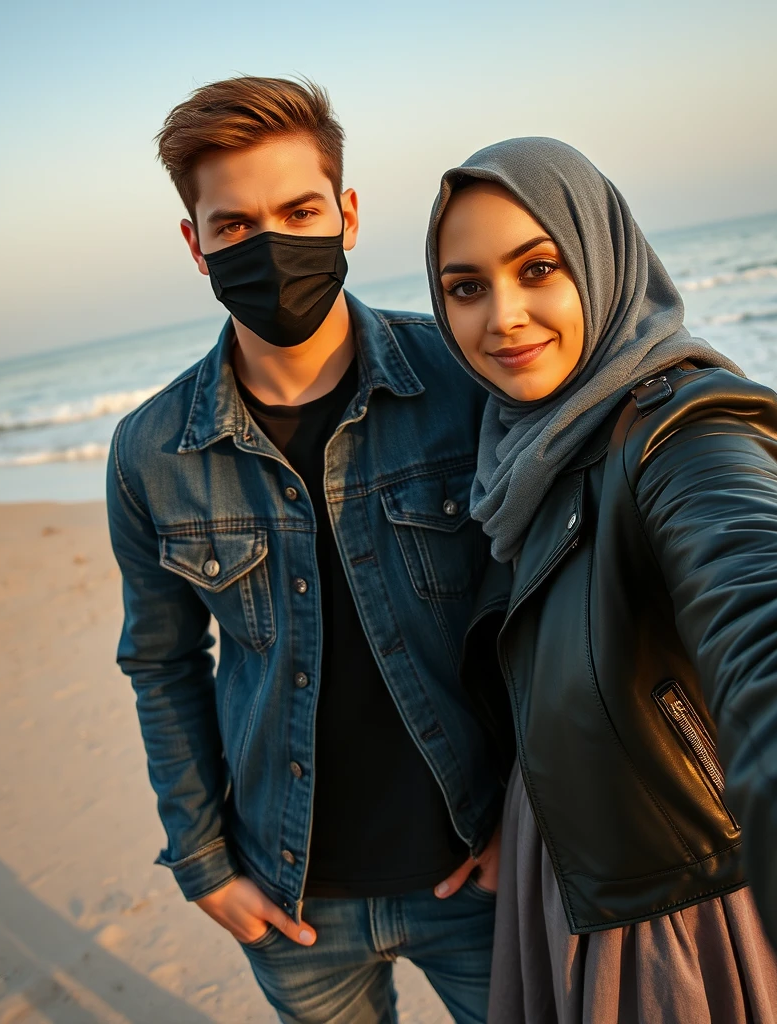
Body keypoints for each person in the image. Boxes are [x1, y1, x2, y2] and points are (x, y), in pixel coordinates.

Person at [424, 137, 777, 1024]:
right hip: (563, 864)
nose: (504, 317)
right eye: (468, 287)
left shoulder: (683, 426)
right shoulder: (524, 444)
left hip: (681, 904)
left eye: (539, 267)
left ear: (604, 258)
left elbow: (775, 594)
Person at [107, 76, 507, 1024]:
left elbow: (546, 600)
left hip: (480, 866)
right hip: (289, 900)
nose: (271, 242)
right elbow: (161, 664)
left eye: (298, 209)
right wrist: (203, 866)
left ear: (348, 213)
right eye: (234, 224)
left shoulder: (463, 380)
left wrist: (532, 818)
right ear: (194, 244)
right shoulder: (152, 451)